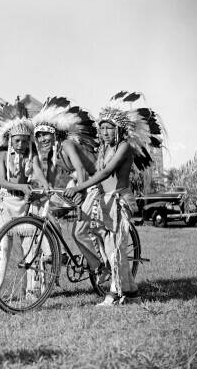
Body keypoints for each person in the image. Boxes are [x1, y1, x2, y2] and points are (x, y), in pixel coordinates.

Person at [65, 91, 164, 306]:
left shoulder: (124, 147)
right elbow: (95, 170)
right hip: (104, 200)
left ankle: (114, 294)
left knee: (116, 248)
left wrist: (81, 186)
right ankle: (133, 293)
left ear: (119, 129)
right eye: (102, 128)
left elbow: (105, 172)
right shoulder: (104, 148)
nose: (104, 132)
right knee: (110, 249)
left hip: (119, 200)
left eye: (109, 127)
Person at [0, 99, 49, 306]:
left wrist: (44, 187)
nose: (21, 145)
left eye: (25, 141)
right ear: (10, 140)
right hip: (7, 204)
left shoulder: (31, 155)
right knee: (2, 251)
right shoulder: (1, 155)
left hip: (25, 204)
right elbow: (2, 181)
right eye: (17, 141)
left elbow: (39, 174)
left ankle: (32, 292)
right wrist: (22, 187)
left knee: (30, 249)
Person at [32, 97, 103, 272]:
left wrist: (81, 193)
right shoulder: (51, 154)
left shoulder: (67, 144)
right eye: (39, 135)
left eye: (46, 134)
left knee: (78, 233)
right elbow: (49, 179)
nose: (42, 139)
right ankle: (60, 252)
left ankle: (100, 268)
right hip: (78, 185)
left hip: (94, 183)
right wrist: (43, 190)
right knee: (47, 209)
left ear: (55, 133)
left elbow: (82, 170)